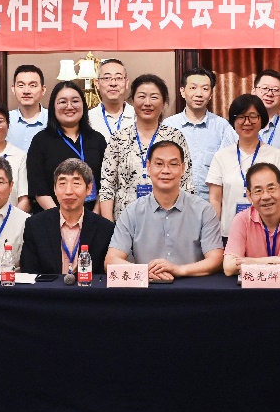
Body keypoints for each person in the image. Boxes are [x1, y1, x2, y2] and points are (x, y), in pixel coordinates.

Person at [105, 141, 223, 281]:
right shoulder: (132, 212)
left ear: (183, 168)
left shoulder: (203, 210)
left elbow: (216, 259)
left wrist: (178, 270)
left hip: (192, 288)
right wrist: (145, 272)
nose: (166, 170)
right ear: (148, 167)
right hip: (146, 288)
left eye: (173, 164)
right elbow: (111, 261)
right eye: (159, 164)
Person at [99, 74, 193, 223]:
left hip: (169, 222)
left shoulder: (174, 137)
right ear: (132, 101)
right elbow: (107, 186)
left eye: (154, 97)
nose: (147, 103)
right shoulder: (118, 138)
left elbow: (186, 184)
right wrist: (109, 226)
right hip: (126, 223)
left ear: (164, 102)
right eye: (141, 96)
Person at [207, 94, 280, 241]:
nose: (247, 122)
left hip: (269, 234)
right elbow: (215, 199)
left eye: (253, 116)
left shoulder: (276, 155)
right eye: (241, 117)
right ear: (233, 121)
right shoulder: (221, 156)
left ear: (262, 120)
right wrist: (214, 235)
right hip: (230, 234)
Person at [20, 158, 115, 276]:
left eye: (76, 184)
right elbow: (29, 272)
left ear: (89, 189)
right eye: (62, 184)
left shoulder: (105, 229)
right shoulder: (35, 225)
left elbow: (104, 276)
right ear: (54, 189)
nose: (68, 191)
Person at [27, 81, 107, 214]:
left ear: (83, 105)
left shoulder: (97, 140)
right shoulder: (40, 141)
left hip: (92, 217)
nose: (69, 106)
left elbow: (106, 183)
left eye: (75, 101)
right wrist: (61, 218)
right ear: (53, 107)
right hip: (52, 217)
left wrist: (93, 217)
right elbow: (39, 188)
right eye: (62, 102)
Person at [164, 67, 235, 201]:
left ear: (211, 94)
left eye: (205, 89)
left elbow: (231, 167)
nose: (199, 94)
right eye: (193, 88)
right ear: (182, 91)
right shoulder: (169, 126)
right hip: (175, 202)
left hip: (211, 203)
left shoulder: (222, 127)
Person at [88, 58, 136, 141]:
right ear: (97, 83)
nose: (113, 83)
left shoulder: (137, 116)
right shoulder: (88, 118)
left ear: (126, 83)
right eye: (107, 78)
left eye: (119, 78)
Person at [7, 64, 49, 152]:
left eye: (32, 85)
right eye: (21, 85)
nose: (26, 91)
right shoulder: (5, 120)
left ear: (43, 90)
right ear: (13, 89)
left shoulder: (53, 119)